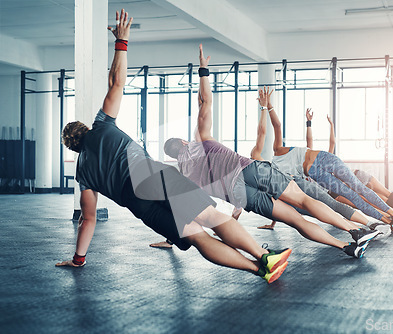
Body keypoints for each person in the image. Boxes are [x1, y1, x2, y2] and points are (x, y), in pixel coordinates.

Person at [55, 9, 291, 284]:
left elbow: (89, 219)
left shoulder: (82, 173)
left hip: (139, 206)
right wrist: (122, 42)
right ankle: (263, 255)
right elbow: (116, 83)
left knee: (199, 238)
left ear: (73, 149)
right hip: (155, 177)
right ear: (84, 128)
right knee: (211, 217)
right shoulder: (102, 125)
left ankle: (258, 270)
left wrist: (78, 259)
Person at [163, 46, 379, 259]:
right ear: (183, 141)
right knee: (303, 201)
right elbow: (206, 103)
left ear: (174, 156)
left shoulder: (186, 175)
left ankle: (345, 246)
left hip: (240, 196)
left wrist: (171, 238)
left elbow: (190, 208)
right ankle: (355, 232)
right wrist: (203, 70)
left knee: (296, 220)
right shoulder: (199, 141)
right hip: (249, 171)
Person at [250, 87, 391, 236]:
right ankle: (362, 229)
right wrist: (272, 222)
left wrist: (267, 107)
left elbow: (270, 129)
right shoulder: (262, 172)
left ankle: (372, 224)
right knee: (327, 212)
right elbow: (276, 199)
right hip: (293, 191)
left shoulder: (273, 155)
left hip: (298, 186)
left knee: (333, 206)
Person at [306, 109, 393, 219]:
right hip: (350, 185)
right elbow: (314, 144)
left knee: (384, 194)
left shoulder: (324, 162)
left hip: (356, 177)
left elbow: (327, 143)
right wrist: (311, 123)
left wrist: (325, 125)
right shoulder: (311, 172)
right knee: (379, 198)